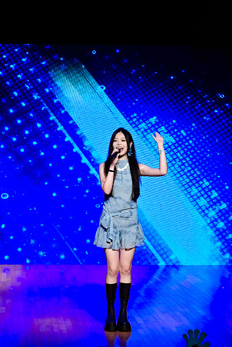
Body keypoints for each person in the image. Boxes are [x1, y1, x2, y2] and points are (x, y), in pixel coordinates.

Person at [94, 127, 167, 332]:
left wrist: (160, 147)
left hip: (129, 224)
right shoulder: (104, 166)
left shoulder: (137, 167)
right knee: (112, 269)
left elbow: (162, 171)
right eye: (115, 140)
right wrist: (112, 166)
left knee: (125, 269)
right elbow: (107, 189)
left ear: (130, 144)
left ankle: (123, 313)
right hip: (110, 223)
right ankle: (110, 313)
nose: (119, 143)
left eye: (123, 140)